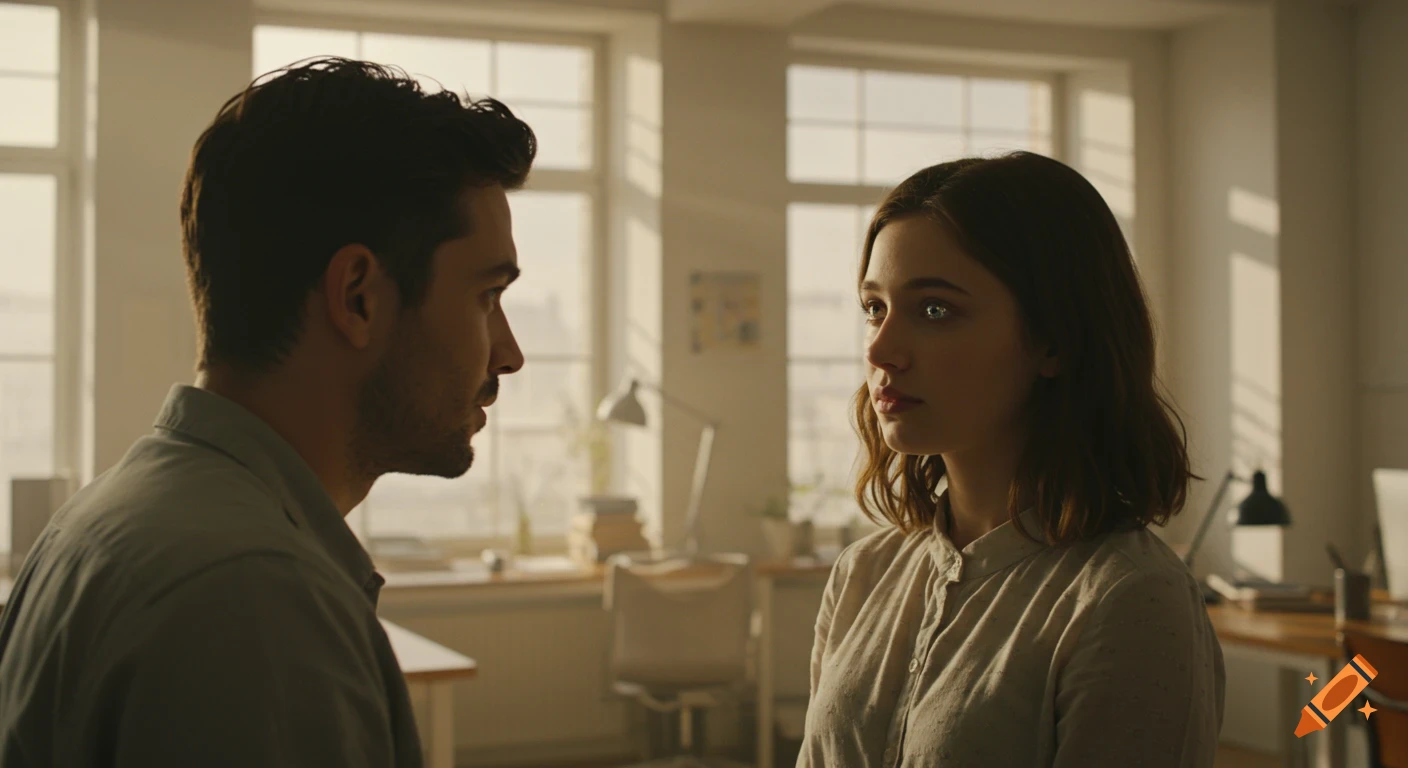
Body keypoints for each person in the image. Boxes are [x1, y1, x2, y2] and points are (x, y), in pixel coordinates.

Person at [0, 58, 532, 767]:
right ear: (359, 298)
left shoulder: (106, 518)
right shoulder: (257, 600)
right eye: (485, 298)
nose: (509, 353)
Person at [798, 153, 1225, 767]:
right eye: (874, 308)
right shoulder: (862, 573)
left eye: (935, 310)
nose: (882, 348)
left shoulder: (1130, 598)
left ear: (1055, 339)